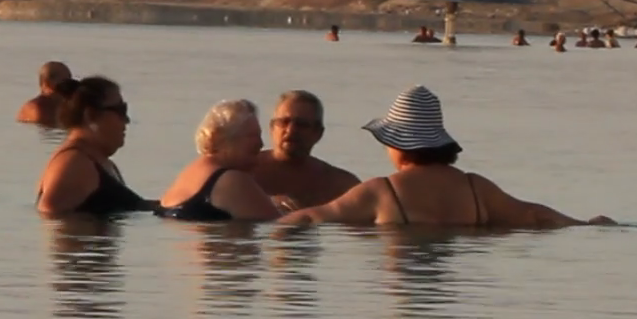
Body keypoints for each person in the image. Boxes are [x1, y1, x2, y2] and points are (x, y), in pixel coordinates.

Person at [279, 86, 612, 228]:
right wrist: (587, 224)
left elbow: (310, 219)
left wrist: (270, 221)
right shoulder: (475, 188)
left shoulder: (381, 191)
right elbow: (536, 216)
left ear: (397, 143)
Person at [35, 77, 158, 216]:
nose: (127, 120)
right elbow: (50, 213)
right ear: (90, 115)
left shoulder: (101, 164)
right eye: (120, 110)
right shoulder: (76, 163)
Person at [159, 99, 283, 222]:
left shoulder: (188, 173)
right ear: (224, 139)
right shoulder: (233, 180)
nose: (261, 144)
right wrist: (302, 215)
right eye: (252, 136)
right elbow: (277, 225)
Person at [253, 90, 363, 209]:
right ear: (272, 128)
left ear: (318, 133)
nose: (290, 130)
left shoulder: (341, 186)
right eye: (284, 122)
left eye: (301, 124)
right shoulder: (246, 173)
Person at [18, 60, 74, 126]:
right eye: (66, 82)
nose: (71, 86)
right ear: (47, 83)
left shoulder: (59, 105)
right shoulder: (40, 108)